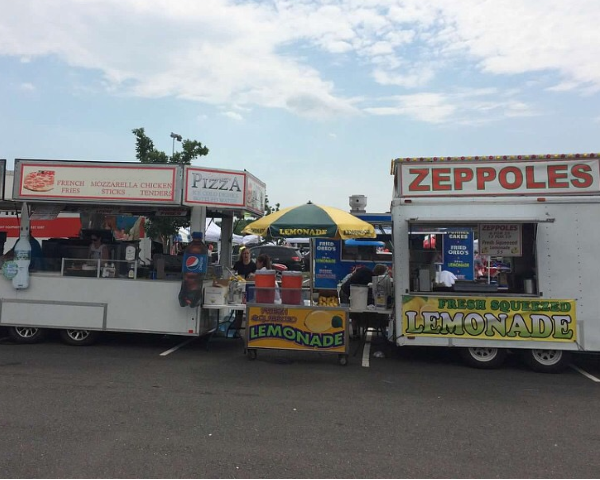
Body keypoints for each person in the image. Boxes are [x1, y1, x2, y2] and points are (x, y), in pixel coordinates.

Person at [340, 263, 388, 338]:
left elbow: (357, 272)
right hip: (347, 292)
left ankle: (353, 333)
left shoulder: (365, 270)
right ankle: (347, 334)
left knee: (351, 313)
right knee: (348, 313)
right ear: (380, 272)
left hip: (346, 290)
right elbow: (367, 289)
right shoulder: (371, 277)